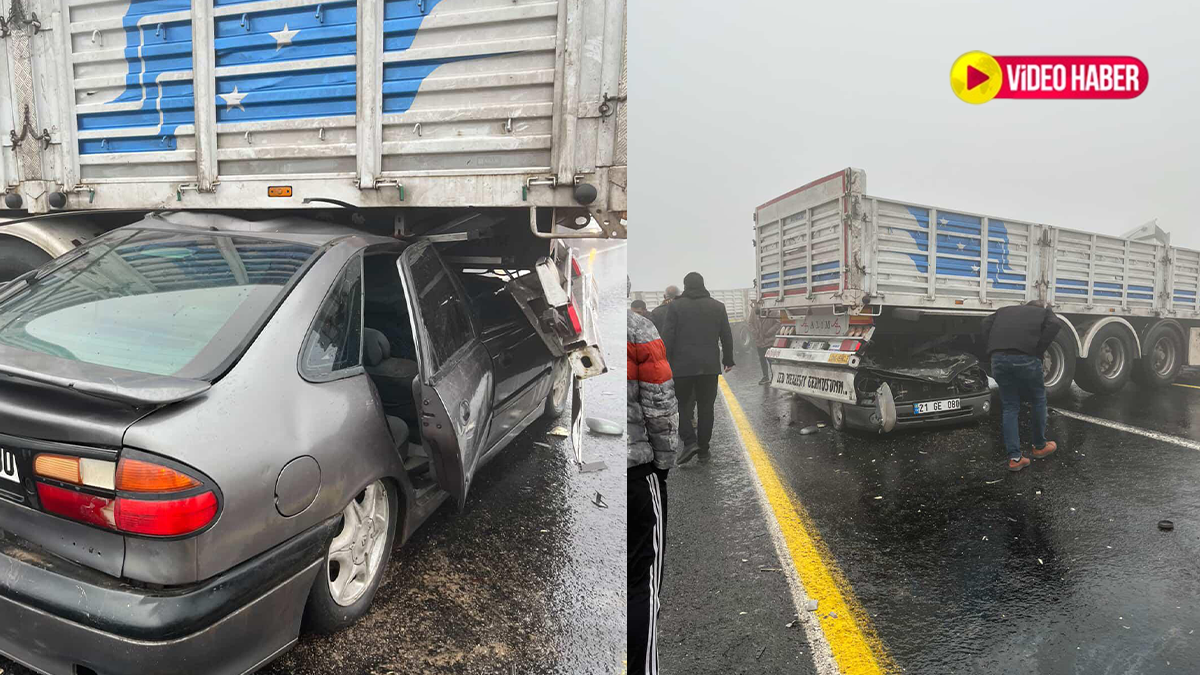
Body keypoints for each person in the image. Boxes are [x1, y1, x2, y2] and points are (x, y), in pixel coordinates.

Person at [628, 305, 678, 675]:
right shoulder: (638, 328)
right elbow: (659, 404)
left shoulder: (579, 313)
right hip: (635, 470)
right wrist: (662, 465)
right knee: (641, 584)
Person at [661, 272, 734, 464]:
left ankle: (690, 441)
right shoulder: (717, 306)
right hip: (709, 367)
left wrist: (663, 362)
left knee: (680, 405)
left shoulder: (675, 306)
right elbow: (726, 335)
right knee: (706, 408)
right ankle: (703, 451)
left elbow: (667, 336)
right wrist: (728, 359)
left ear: (685, 286)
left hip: (682, 367)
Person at [982, 300, 1061, 471]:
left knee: (1010, 406)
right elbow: (1055, 323)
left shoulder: (1005, 310)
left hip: (998, 359)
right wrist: (1038, 349)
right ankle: (1039, 447)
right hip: (1026, 358)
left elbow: (985, 323)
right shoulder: (1042, 312)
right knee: (1038, 399)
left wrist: (993, 346)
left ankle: (1015, 458)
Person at [746, 299, 781, 385]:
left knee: (771, 359)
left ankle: (774, 377)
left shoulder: (773, 311)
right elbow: (750, 323)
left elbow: (778, 323)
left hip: (769, 340)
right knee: (762, 359)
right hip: (759, 340)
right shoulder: (755, 311)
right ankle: (765, 377)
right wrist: (755, 333)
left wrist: (769, 333)